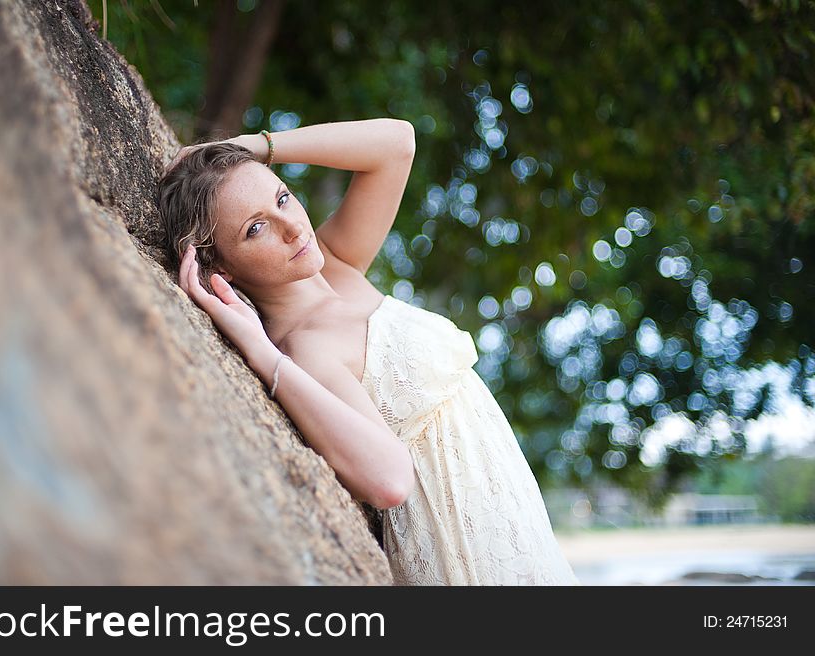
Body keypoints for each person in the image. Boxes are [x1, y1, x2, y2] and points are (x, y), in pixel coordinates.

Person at [157, 118, 580, 585]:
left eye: (282, 198)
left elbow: (397, 144)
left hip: (516, 529)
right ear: (220, 267)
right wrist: (262, 353)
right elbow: (389, 480)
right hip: (464, 555)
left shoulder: (337, 265)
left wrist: (247, 147)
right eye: (256, 229)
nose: (294, 229)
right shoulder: (305, 347)